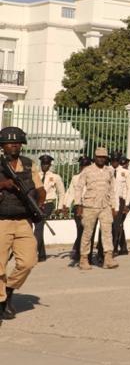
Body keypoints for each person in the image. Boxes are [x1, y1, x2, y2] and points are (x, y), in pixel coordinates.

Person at [0, 126, 44, 324]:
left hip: (23, 221)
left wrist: (38, 205)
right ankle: (1, 302)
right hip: (2, 221)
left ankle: (8, 290)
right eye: (10, 143)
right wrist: (3, 184)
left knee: (28, 261)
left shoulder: (28, 164)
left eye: (17, 142)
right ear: (3, 145)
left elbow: (39, 188)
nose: (14, 145)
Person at [75, 147, 119, 271]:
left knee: (107, 232)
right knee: (87, 233)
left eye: (103, 157)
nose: (101, 159)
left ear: (106, 158)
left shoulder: (109, 171)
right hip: (90, 206)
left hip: (105, 206)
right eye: (99, 157)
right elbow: (79, 188)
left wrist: (114, 206)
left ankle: (108, 258)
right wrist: (78, 205)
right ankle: (84, 259)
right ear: (95, 157)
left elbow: (112, 190)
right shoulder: (87, 170)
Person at [37, 154, 65, 262]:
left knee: (39, 225)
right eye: (43, 164)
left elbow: (61, 193)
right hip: (37, 204)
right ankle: (42, 255)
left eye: (46, 164)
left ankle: (34, 250)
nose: (44, 166)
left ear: (49, 165)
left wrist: (59, 207)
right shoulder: (36, 175)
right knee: (39, 227)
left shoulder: (55, 177)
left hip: (48, 204)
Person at [64, 155, 91, 264]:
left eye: (86, 166)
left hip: (90, 207)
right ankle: (79, 252)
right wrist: (65, 205)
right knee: (80, 229)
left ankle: (84, 253)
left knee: (88, 231)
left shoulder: (93, 178)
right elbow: (71, 192)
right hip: (78, 207)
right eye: (82, 166)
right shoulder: (76, 178)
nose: (84, 168)